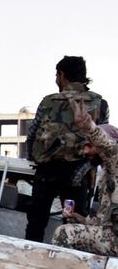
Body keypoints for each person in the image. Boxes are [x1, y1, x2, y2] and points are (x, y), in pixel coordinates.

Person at [25, 56, 110, 243]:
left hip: (46, 174)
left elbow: (31, 135)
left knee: (36, 223)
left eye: (57, 75)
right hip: (78, 176)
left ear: (62, 75)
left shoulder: (49, 101)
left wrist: (34, 158)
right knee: (73, 224)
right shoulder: (99, 103)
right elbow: (103, 139)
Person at [52, 100, 118, 256]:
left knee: (64, 233)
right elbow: (104, 222)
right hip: (111, 236)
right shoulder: (107, 174)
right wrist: (83, 220)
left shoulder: (115, 158)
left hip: (114, 240)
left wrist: (90, 128)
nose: (85, 151)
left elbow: (107, 146)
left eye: (90, 145)